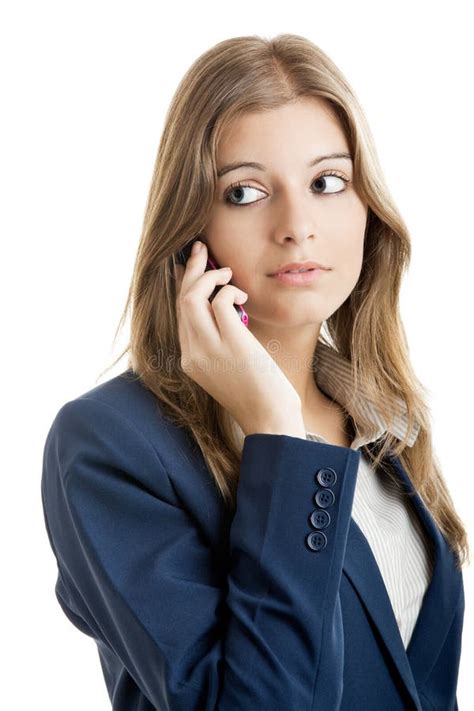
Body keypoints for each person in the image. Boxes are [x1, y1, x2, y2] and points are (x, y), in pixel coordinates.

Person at [41, 33, 468, 710]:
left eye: (328, 181)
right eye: (244, 191)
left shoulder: (383, 420)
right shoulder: (108, 445)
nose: (297, 224)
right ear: (190, 227)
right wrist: (275, 431)